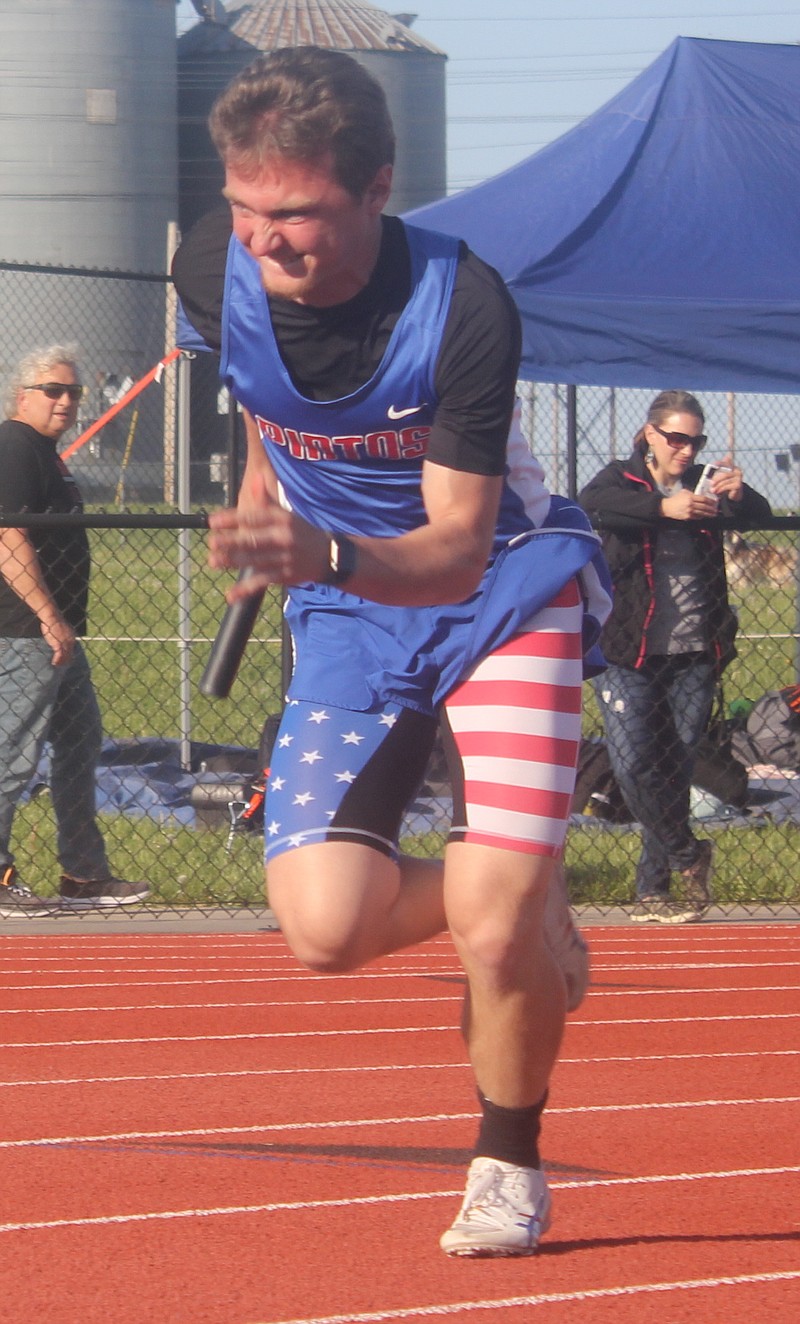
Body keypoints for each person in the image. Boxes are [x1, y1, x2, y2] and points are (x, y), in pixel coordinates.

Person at [173, 47, 611, 1257]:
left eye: (299, 214)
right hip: (347, 611)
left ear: (376, 188)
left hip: (497, 592)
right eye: (248, 210)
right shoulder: (208, 258)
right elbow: (264, 403)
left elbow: (458, 549)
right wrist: (271, 510)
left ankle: (505, 1164)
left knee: (490, 921)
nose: (266, 242)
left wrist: (315, 553)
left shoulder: (466, 306)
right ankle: (520, 885)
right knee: (323, 929)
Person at [579, 390, 771, 924]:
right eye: (677, 438)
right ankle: (690, 853)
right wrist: (663, 508)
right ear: (650, 435)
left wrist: (742, 493)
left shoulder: (706, 482)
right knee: (633, 762)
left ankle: (654, 888)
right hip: (629, 650)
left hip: (695, 652)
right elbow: (589, 502)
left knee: (674, 768)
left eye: (695, 440)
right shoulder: (620, 480)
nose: (686, 450)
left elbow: (756, 516)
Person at [0, 345, 150, 917]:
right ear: (23, 395)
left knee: (80, 745)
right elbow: (8, 537)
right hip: (25, 632)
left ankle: (83, 874)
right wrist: (47, 615)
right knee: (12, 752)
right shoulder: (14, 446)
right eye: (53, 390)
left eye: (74, 392)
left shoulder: (46, 453)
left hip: (57, 635)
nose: (66, 401)